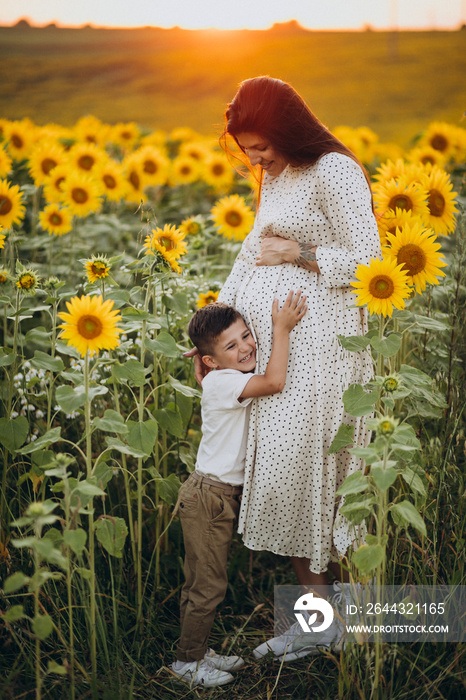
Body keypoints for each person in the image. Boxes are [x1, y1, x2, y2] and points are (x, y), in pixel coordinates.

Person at [190, 76, 381, 659]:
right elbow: (253, 251)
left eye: (260, 146)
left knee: (319, 479)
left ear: (287, 128)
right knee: (292, 481)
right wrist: (208, 333)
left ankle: (360, 626)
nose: (254, 159)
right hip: (273, 352)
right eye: (246, 150)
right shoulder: (277, 176)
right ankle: (323, 623)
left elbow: (372, 260)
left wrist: (298, 254)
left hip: (323, 354)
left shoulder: (334, 170)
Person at [171, 291, 307, 687]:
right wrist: (280, 329)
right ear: (211, 361)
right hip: (209, 497)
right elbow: (275, 381)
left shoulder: (224, 375)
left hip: (213, 496)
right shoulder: (222, 383)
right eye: (232, 345)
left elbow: (245, 367)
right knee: (208, 585)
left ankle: (194, 649)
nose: (247, 346)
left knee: (199, 581)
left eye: (248, 335)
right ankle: (187, 665)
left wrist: (208, 352)